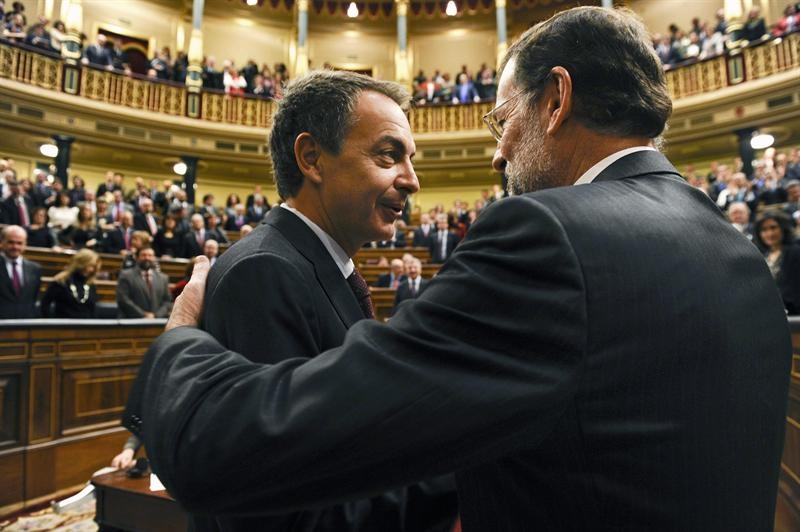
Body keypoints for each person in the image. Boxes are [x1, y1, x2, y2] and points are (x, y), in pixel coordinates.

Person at [127, 7, 791, 532]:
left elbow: (236, 449)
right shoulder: (733, 249)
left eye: (503, 121)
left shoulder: (551, 237)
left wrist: (179, 338)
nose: (499, 155)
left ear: (556, 101)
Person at [156, 71, 457, 532]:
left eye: (409, 160)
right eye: (388, 154)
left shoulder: (313, 264)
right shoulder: (265, 272)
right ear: (312, 158)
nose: (412, 180)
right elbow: (277, 512)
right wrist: (465, 473)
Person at [753, 209, 800, 314]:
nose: (769, 233)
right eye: (764, 230)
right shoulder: (763, 255)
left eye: (773, 227)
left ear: (783, 228)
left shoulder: (795, 252)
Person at [40, 248, 100, 318]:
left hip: (86, 324)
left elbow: (92, 309)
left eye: (94, 267)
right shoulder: (61, 281)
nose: (91, 269)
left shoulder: (90, 284)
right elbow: (45, 304)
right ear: (80, 263)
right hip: (64, 323)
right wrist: (51, 322)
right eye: (89, 265)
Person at [115, 246, 172, 319]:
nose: (147, 258)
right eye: (143, 255)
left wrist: (156, 315)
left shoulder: (163, 278)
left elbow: (167, 301)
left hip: (157, 321)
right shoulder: (125, 275)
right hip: (132, 320)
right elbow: (123, 299)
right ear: (137, 258)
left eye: (150, 255)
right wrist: (143, 315)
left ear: (154, 258)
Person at [0, 225, 41, 318]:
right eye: (11, 242)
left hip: (25, 322)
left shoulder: (35, 269)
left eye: (19, 243)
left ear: (25, 244)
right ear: (2, 242)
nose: (15, 247)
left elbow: (33, 299)